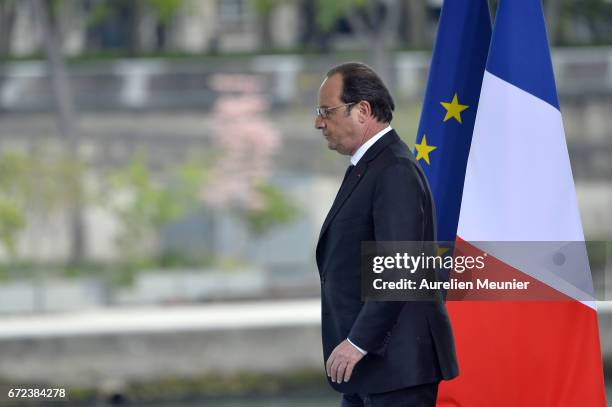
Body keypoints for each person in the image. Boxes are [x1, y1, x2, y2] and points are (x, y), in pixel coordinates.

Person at [314, 62, 458, 406]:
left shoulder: (394, 169)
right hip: (371, 370)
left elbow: (402, 268)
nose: (319, 122)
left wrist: (358, 342)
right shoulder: (370, 166)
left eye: (326, 111)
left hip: (396, 369)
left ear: (362, 110)